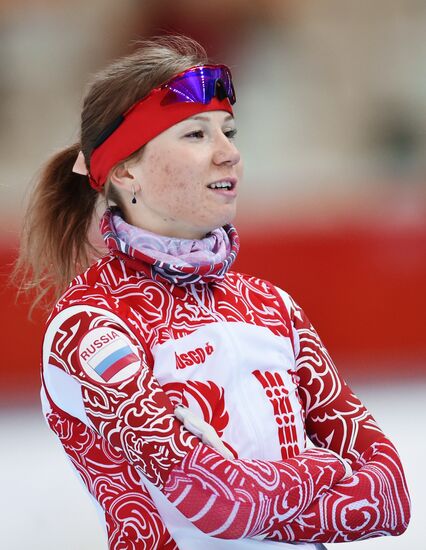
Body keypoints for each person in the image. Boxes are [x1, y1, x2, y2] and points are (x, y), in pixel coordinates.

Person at [16, 36, 410, 549]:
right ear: (125, 170)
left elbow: (393, 498)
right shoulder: (90, 324)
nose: (229, 154)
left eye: (229, 131)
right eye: (196, 135)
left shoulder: (273, 308)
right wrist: (324, 469)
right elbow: (222, 505)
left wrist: (257, 484)